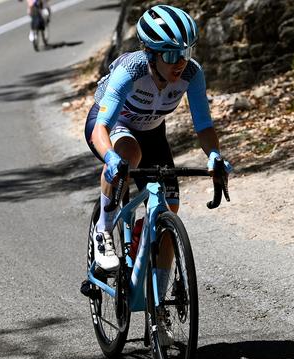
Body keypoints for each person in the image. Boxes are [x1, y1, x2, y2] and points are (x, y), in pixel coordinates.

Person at [84, 4, 232, 273]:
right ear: (151, 54)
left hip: (152, 132)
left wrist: (214, 155)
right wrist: (110, 158)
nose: (181, 61)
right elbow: (100, 130)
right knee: (129, 153)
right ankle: (103, 234)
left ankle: (161, 305)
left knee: (170, 207)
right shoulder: (130, 71)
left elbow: (204, 125)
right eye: (172, 53)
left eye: (186, 52)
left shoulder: (191, 73)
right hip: (113, 125)